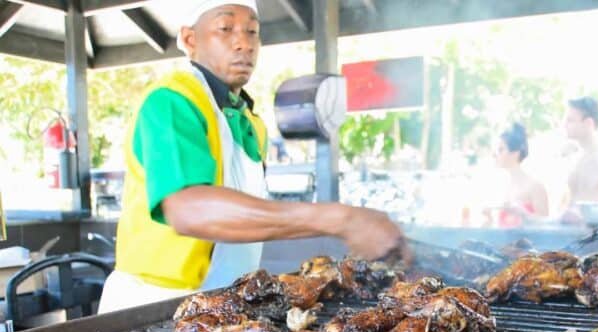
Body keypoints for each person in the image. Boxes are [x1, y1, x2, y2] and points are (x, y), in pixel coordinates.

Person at [98, 1, 408, 314]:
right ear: (190, 39)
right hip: (152, 308)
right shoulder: (171, 101)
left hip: (222, 309)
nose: (244, 43)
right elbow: (188, 209)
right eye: (226, 29)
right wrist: (342, 219)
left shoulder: (251, 123)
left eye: (252, 32)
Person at [493, 123, 549, 228]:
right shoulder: (503, 187)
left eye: (501, 150)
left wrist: (525, 215)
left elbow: (547, 224)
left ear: (515, 153)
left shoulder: (535, 186)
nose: (496, 154)